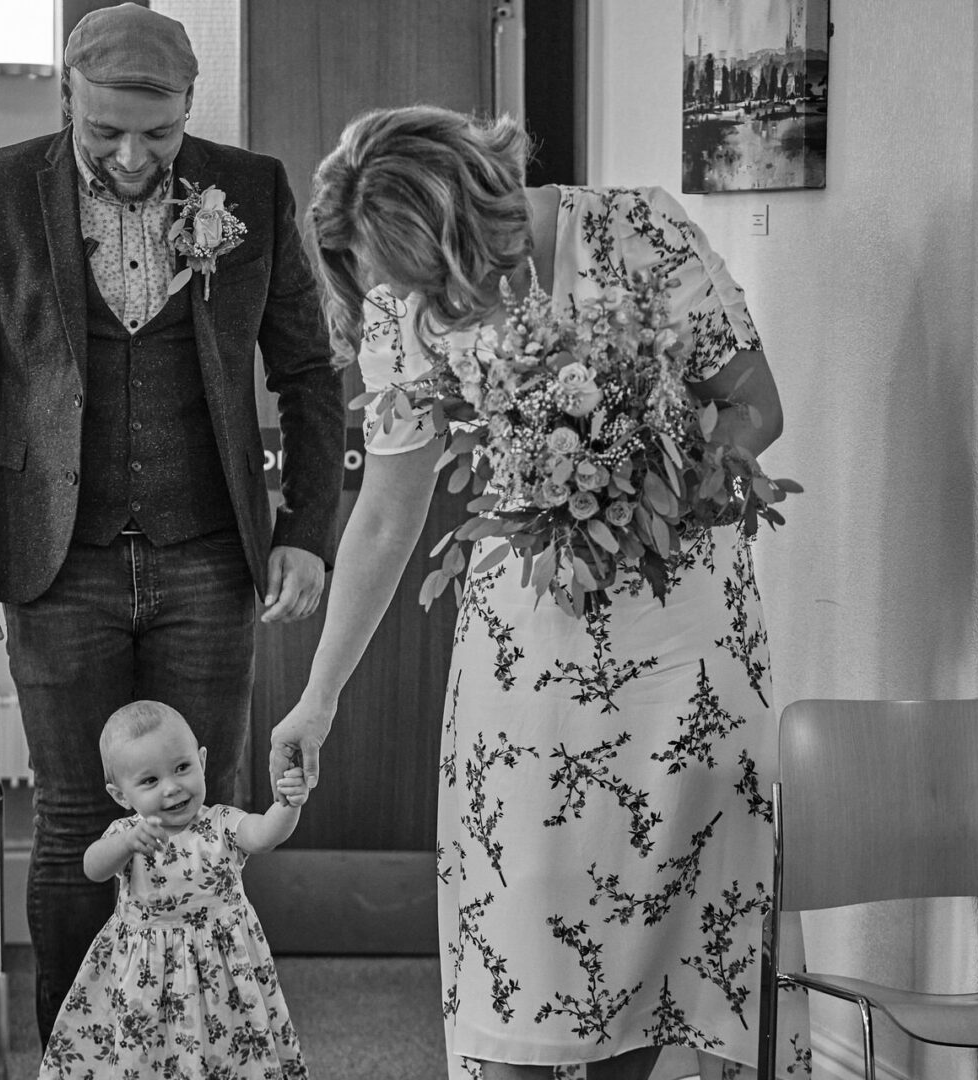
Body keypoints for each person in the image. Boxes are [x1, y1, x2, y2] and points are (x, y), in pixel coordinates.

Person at [271, 105, 809, 1079]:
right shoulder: (397, 292)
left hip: (679, 636)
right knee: (525, 944)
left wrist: (651, 472)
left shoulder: (636, 230)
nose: (425, 303)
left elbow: (756, 407)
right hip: (527, 660)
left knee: (665, 948)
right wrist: (319, 695)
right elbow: (389, 510)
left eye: (436, 278)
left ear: (472, 214)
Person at [0, 2, 345, 1045]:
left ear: (189, 108)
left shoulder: (253, 188)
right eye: (106, 131)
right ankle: (77, 1055)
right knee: (72, 822)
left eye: (157, 132)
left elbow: (309, 372)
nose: (132, 154)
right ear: (68, 97)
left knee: (207, 813)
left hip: (208, 553)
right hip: (56, 559)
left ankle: (206, 1052)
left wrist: (307, 527)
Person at [39, 700, 311, 1079]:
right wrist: (127, 843)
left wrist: (288, 805)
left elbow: (263, 835)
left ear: (201, 761)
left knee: (229, 1050)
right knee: (146, 1054)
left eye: (182, 768)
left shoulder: (221, 823)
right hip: (145, 977)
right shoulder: (127, 834)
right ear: (121, 795)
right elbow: (93, 867)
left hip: (222, 974)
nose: (172, 788)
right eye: (150, 781)